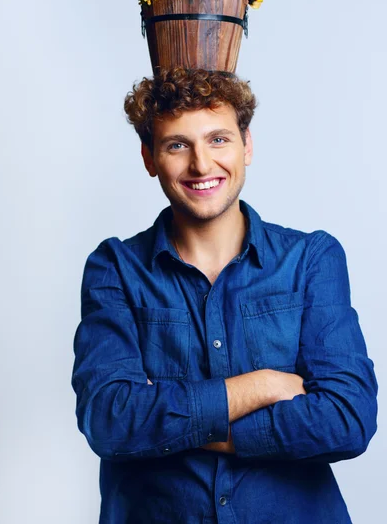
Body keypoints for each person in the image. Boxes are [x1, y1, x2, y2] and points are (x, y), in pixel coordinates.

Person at [71, 68, 378, 524]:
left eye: (218, 139)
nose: (201, 165)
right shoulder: (114, 268)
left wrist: (170, 417)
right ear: (149, 157)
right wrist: (264, 386)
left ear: (247, 145)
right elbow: (111, 420)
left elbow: (347, 420)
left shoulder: (311, 258)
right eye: (178, 144)